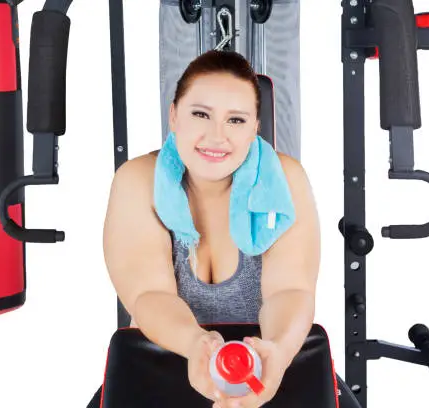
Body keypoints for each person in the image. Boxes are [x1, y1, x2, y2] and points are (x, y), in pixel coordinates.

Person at [102, 50, 321, 408]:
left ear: (255, 127)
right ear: (174, 115)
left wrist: (278, 352)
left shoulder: (285, 179)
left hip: (268, 359)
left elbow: (290, 290)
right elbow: (149, 295)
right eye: (201, 114)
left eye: (236, 120)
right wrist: (196, 345)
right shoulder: (138, 180)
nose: (216, 136)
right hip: (168, 354)